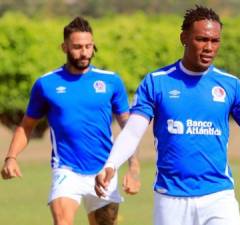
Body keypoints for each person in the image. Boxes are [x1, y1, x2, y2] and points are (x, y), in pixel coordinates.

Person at [95, 5, 240, 225]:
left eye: (215, 41)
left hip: (218, 197)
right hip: (170, 198)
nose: (209, 47)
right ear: (184, 38)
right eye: (202, 39)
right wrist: (111, 164)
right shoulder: (157, 83)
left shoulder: (231, 86)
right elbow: (133, 131)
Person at [1, 17, 141, 225]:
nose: (84, 52)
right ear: (64, 47)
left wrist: (133, 169)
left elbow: (129, 129)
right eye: (77, 47)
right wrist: (11, 157)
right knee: (63, 222)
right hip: (66, 170)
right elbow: (26, 126)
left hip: (105, 169)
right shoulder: (46, 84)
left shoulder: (111, 81)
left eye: (88, 46)